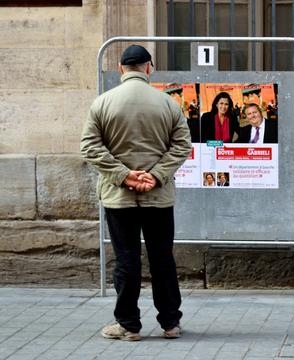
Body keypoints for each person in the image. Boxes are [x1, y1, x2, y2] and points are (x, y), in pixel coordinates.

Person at [80, 45, 191, 341]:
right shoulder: (168, 104)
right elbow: (182, 146)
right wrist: (154, 176)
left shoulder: (102, 103)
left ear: (120, 68)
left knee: (126, 258)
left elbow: (90, 147)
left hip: (119, 197)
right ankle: (170, 323)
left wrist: (124, 175)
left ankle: (128, 324)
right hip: (158, 196)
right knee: (162, 258)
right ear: (149, 68)